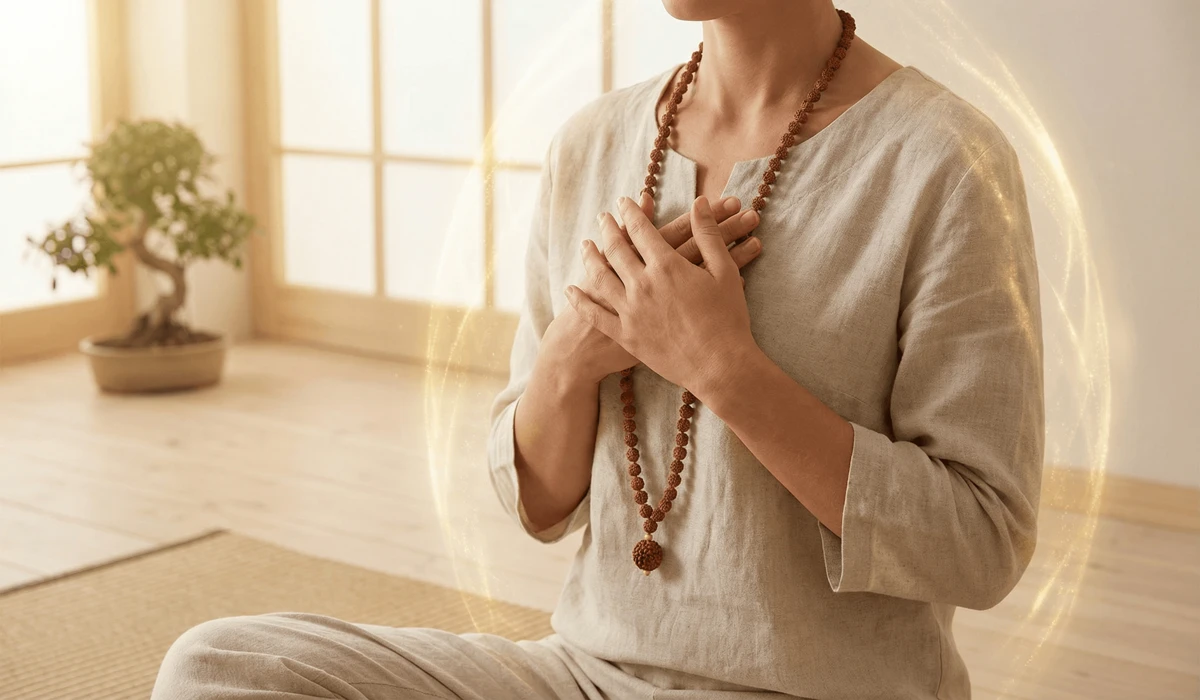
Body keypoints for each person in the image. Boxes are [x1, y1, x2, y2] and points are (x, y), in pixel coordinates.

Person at [152, 1, 1044, 698]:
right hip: (582, 676)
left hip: (814, 691)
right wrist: (572, 356)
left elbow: (980, 543)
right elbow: (537, 500)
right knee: (219, 668)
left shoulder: (944, 161)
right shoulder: (592, 143)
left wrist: (723, 368)